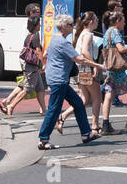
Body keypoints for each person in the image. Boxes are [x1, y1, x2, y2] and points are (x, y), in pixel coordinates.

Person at [38, 14, 103, 149]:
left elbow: (46, 55)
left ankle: (86, 134)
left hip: (57, 78)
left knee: (78, 103)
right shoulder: (63, 42)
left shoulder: (55, 39)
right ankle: (43, 139)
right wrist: (97, 66)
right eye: (70, 25)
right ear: (63, 26)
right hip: (59, 79)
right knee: (54, 109)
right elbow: (79, 59)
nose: (72, 27)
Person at [99, 10, 127, 135]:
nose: (124, 23)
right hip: (117, 70)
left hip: (108, 68)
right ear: (117, 21)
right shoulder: (116, 32)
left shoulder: (107, 32)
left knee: (109, 95)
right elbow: (120, 49)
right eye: (123, 21)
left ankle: (105, 124)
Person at [60, 12, 103, 132]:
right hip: (87, 68)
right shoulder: (88, 34)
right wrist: (94, 65)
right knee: (97, 97)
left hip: (80, 69)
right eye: (96, 20)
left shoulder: (82, 34)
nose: (97, 22)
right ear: (91, 22)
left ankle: (63, 116)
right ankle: (95, 125)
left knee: (84, 99)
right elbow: (84, 51)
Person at [4, 16, 47, 117]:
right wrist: (43, 63)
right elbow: (38, 51)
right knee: (27, 89)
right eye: (39, 24)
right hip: (32, 67)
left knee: (40, 89)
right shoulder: (35, 36)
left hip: (30, 66)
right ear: (35, 25)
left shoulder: (29, 36)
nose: (40, 25)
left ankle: (44, 110)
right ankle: (11, 106)